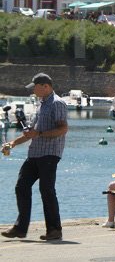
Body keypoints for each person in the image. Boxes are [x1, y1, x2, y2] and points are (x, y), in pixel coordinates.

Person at [1, 73, 68, 241]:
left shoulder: (57, 103)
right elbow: (33, 133)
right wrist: (13, 143)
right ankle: (20, 228)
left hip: (50, 154)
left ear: (45, 86)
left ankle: (54, 230)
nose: (33, 91)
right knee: (21, 187)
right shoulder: (41, 104)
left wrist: (39, 133)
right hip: (35, 154)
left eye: (35, 87)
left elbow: (62, 129)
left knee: (47, 191)